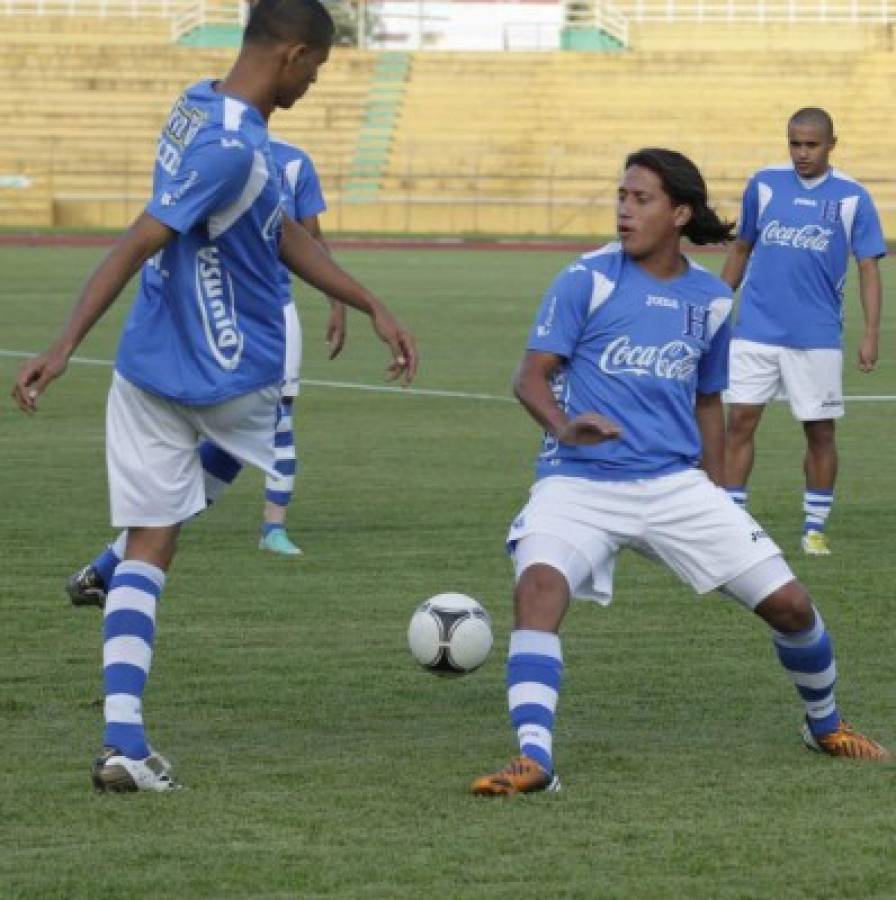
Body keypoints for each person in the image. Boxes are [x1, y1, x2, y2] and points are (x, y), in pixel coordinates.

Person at [12, 0, 417, 792]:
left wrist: (368, 299)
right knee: (238, 465)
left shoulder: (196, 104)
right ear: (294, 55)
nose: (314, 84)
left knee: (149, 546)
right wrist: (61, 345)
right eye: (318, 70)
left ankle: (123, 736)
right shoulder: (234, 146)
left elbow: (275, 230)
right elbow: (139, 237)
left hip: (148, 364)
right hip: (235, 372)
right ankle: (114, 582)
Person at [471, 148, 888, 798]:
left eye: (641, 199)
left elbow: (707, 401)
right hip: (577, 482)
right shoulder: (587, 279)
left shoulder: (711, 301)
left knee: (793, 607)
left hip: (674, 487)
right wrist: (562, 427)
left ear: (680, 213)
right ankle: (536, 759)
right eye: (621, 196)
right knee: (539, 589)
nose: (623, 210)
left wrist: (723, 492)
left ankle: (824, 724)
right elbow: (529, 376)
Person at [722, 108, 886, 556]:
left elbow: (868, 267)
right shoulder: (764, 184)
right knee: (738, 422)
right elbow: (741, 247)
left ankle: (814, 528)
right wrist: (716, 308)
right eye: (794, 143)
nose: (801, 153)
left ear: (832, 143)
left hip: (815, 337)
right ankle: (734, 525)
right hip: (754, 328)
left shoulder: (852, 197)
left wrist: (871, 332)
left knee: (819, 431)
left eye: (811, 144)